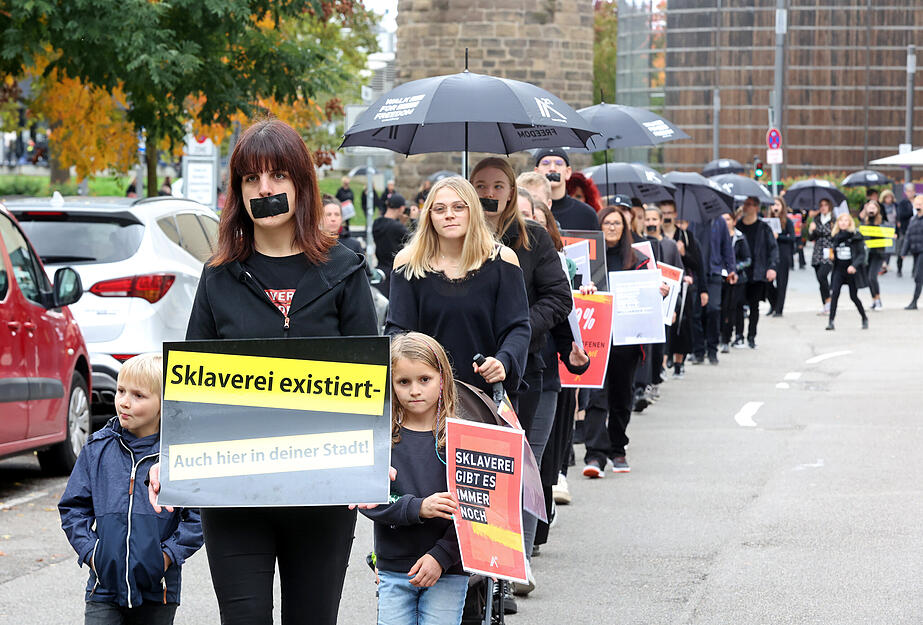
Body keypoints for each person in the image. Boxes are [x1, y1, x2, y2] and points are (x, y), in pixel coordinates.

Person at [148, 119, 379, 625]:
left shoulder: (345, 271)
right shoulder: (218, 277)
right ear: (238, 192)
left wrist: (376, 457)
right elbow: (191, 387)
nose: (265, 189)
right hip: (233, 495)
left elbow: (370, 384)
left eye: (277, 176)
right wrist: (168, 458)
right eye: (251, 179)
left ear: (301, 183)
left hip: (323, 490)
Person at [470, 157, 572, 583]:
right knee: (479, 471)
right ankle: (477, 564)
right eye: (480, 185)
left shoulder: (533, 241)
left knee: (521, 467)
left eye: (498, 185)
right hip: (471, 372)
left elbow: (559, 298)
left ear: (512, 192)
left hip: (530, 372)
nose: (489, 193)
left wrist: (521, 326)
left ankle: (517, 565)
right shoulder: (457, 237)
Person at [59, 354, 203, 625]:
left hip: (158, 591)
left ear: (163, 403)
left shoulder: (177, 456)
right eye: (121, 391)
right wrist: (93, 555)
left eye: (138, 395)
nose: (124, 402)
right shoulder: (96, 448)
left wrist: (166, 557)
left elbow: (198, 518)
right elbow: (73, 508)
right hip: (102, 589)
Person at [385, 177, 531, 398]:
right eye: (440, 209)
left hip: (486, 394)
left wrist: (503, 361)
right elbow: (398, 331)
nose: (449, 214)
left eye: (458, 207)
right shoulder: (408, 263)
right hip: (425, 398)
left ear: (473, 211)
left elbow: (517, 327)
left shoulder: (503, 260)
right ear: (429, 216)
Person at [361, 332, 467, 625]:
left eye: (424, 379)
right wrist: (418, 507)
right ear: (391, 385)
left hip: (448, 567)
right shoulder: (380, 438)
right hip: (394, 568)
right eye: (403, 382)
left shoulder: (461, 439)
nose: (414, 390)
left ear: (442, 378)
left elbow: (477, 508)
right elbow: (369, 500)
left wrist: (442, 556)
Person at [582, 207, 660, 478]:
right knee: (595, 396)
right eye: (607, 222)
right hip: (595, 338)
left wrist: (657, 291)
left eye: (617, 223)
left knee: (621, 396)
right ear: (600, 226)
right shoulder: (589, 259)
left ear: (625, 228)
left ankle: (618, 448)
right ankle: (594, 455)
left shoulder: (638, 259)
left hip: (627, 341)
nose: (612, 227)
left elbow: (650, 298)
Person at [734, 196, 778, 348]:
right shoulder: (737, 226)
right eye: (746, 204)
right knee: (738, 304)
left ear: (757, 208)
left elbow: (773, 249)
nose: (747, 207)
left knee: (754, 306)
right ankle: (738, 335)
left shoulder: (763, 227)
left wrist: (772, 267)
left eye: (751, 205)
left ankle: (751, 336)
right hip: (740, 271)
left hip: (758, 272)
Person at [533, 149, 599, 230]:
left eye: (559, 164)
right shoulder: (527, 210)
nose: (552, 168)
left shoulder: (587, 214)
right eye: (546, 163)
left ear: (568, 172)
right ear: (536, 172)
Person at [827, 211, 869, 330]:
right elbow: (832, 251)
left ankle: (864, 317)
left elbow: (862, 254)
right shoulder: (835, 237)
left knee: (853, 296)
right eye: (841, 220)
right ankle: (831, 321)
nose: (843, 223)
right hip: (838, 270)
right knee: (834, 294)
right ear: (838, 223)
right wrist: (832, 256)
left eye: (846, 220)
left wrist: (854, 266)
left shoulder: (855, 236)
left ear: (850, 222)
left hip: (851, 271)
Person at [720, 211, 751, 351]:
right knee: (721, 308)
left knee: (736, 308)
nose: (725, 222)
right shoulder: (717, 237)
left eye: (728, 219)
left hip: (737, 279)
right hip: (721, 277)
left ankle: (737, 335)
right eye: (723, 219)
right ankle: (722, 335)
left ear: (733, 221)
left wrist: (734, 268)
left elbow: (747, 260)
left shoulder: (739, 237)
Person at [373, 193, 411, 296]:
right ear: (402, 208)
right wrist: (413, 220)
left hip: (380, 269)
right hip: (395, 270)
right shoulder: (397, 227)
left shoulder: (376, 223)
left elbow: (391, 234)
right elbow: (414, 239)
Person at [767, 196, 795, 317]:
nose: (775, 208)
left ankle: (779, 309)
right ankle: (773, 304)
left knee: (781, 282)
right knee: (767, 282)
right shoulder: (767, 221)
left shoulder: (787, 221)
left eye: (778, 205)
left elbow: (792, 238)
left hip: (783, 254)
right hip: (770, 254)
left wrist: (779, 237)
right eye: (773, 205)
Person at [808, 198, 835, 315]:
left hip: (829, 251)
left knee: (822, 275)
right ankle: (825, 304)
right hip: (818, 252)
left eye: (825, 205)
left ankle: (829, 301)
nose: (823, 207)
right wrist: (811, 230)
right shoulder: (816, 219)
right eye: (821, 205)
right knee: (820, 280)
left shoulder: (834, 220)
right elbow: (811, 238)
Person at [859, 200, 887, 310]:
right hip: (867, 255)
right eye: (869, 207)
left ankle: (878, 300)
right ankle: (874, 300)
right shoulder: (864, 222)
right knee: (868, 278)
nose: (871, 209)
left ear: (877, 210)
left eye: (873, 207)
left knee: (872, 277)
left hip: (878, 254)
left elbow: (886, 239)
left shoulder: (881, 223)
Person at [901, 194, 923, 309]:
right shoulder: (913, 219)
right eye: (916, 204)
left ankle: (914, 302)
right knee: (917, 276)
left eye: (920, 204)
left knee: (918, 277)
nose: (918, 206)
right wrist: (903, 252)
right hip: (915, 251)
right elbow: (908, 236)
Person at [895, 183, 915, 276]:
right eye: (908, 191)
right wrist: (913, 211)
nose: (910, 193)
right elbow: (901, 215)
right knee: (901, 251)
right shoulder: (902, 203)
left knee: (916, 251)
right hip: (904, 230)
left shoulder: (918, 200)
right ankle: (899, 269)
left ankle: (915, 271)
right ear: (906, 192)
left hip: (917, 230)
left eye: (912, 191)